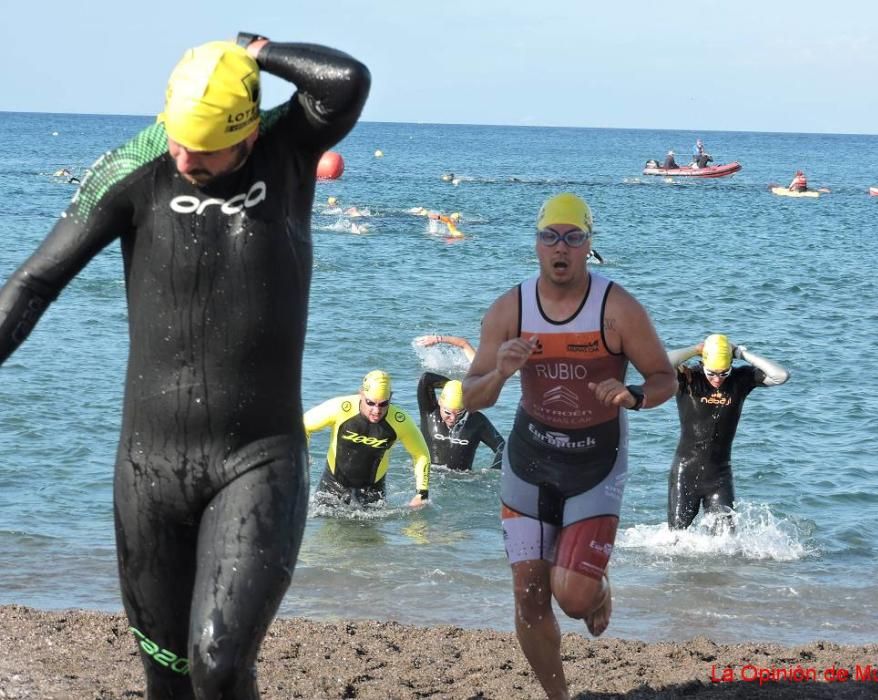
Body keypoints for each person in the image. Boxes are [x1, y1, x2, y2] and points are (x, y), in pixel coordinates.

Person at [0, 33, 369, 699]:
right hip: (148, 472)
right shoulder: (133, 169)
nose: (184, 157)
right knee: (167, 677)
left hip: (257, 460)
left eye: (204, 148)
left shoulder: (288, 152)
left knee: (219, 660)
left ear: (248, 131)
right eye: (177, 139)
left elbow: (345, 80)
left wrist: (259, 51)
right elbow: (32, 284)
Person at [462, 193, 675, 700]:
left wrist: (635, 396)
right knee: (528, 594)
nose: (561, 247)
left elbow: (664, 377)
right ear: (536, 246)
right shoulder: (510, 309)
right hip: (529, 459)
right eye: (550, 237)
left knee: (572, 599)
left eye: (573, 237)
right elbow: (471, 396)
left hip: (596, 462)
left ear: (588, 247)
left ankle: (596, 586)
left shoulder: (617, 308)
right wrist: (500, 371)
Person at [666, 334, 790, 531]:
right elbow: (660, 364)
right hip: (686, 471)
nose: (717, 379)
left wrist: (741, 353)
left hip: (720, 475)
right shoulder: (688, 378)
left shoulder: (740, 380)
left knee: (726, 541)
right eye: (712, 373)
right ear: (703, 362)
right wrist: (695, 349)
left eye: (723, 373)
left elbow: (781, 375)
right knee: (675, 537)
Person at [304, 370, 431, 507]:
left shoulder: (400, 421)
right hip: (332, 486)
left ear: (390, 398)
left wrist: (422, 494)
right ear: (361, 394)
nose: (376, 411)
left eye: (383, 404)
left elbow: (421, 454)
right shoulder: (340, 408)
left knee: (371, 528)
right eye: (370, 403)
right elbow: (303, 425)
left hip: (373, 491)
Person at [414, 335, 504, 471]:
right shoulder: (430, 413)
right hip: (431, 479)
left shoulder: (476, 421)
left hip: (464, 482)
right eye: (448, 413)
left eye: (460, 413)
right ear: (440, 403)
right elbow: (426, 379)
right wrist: (452, 386)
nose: (453, 419)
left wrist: (490, 473)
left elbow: (503, 448)